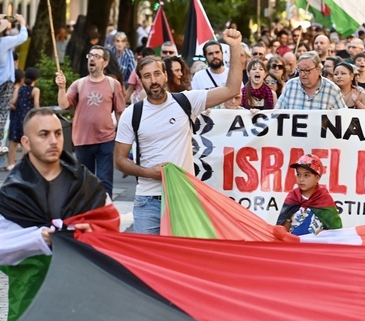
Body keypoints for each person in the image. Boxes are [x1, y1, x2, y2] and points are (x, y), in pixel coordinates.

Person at [114, 29, 244, 234]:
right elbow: (119, 160)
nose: (153, 80)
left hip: (183, 197)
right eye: (147, 76)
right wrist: (148, 172)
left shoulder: (186, 101)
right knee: (148, 261)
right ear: (140, 80)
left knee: (181, 260)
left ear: (166, 75)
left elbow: (232, 89)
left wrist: (235, 47)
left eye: (157, 74)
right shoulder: (132, 114)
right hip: (148, 201)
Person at [0, 108, 115, 321]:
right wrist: (38, 239)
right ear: (26, 142)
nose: (53, 140)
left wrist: (90, 234)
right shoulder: (11, 193)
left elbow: (110, 226)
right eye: (44, 134)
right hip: (28, 302)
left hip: (82, 301)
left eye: (58, 133)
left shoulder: (86, 184)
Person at [56, 46, 126, 197]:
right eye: (90, 55)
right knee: (84, 182)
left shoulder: (113, 84)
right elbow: (63, 105)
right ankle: (87, 213)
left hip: (106, 140)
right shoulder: (78, 84)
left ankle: (105, 215)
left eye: (96, 56)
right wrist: (61, 87)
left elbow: (120, 112)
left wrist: (122, 140)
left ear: (105, 63)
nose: (92, 59)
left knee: (104, 181)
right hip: (82, 140)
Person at [275, 153, 343, 235]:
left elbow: (336, 229)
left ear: (317, 178)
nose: (301, 179)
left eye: (306, 175)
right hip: (294, 245)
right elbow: (282, 227)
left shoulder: (324, 199)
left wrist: (325, 233)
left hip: (316, 246)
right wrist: (285, 224)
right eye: (298, 174)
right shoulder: (292, 197)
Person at [275, 51, 346, 110]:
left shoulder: (332, 89)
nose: (302, 74)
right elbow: (277, 113)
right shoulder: (290, 85)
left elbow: (344, 117)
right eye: (300, 69)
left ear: (318, 69)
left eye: (307, 70)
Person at [0, 14, 28, 155]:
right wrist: (22, 22)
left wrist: (3, 16)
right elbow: (22, 37)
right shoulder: (5, 41)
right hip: (5, 80)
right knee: (3, 110)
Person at [7, 67, 40, 170]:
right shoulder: (35, 90)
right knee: (26, 141)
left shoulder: (19, 88)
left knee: (13, 142)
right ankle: (24, 164)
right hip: (28, 119)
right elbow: (36, 105)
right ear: (36, 79)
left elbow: (13, 102)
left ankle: (10, 164)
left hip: (17, 117)